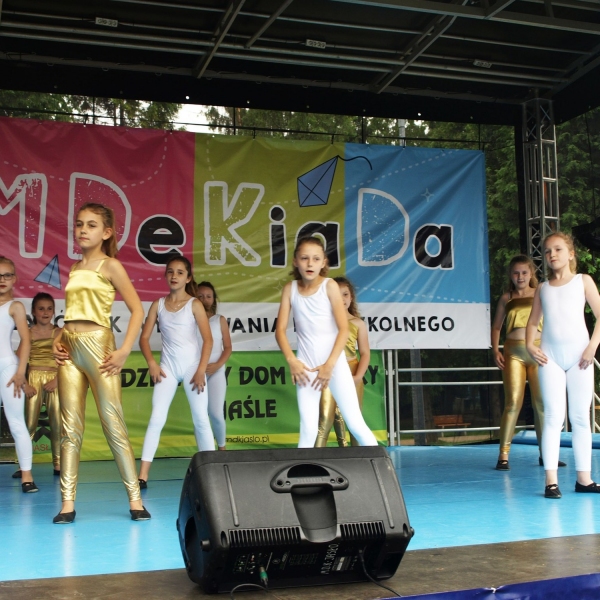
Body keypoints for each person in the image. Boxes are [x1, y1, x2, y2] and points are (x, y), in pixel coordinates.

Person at [52, 203, 148, 523]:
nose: (83, 230)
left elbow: (137, 310)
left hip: (99, 347)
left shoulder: (111, 266)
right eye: (79, 224)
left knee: (113, 423)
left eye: (91, 225)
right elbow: (73, 313)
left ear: (107, 232)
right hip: (69, 348)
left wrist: (124, 351)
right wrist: (57, 338)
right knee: (70, 428)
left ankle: (135, 500)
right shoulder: (75, 268)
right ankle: (67, 504)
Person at [275, 236, 377, 448]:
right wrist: (292, 361)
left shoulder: (329, 286)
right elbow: (280, 331)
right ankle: (303, 468)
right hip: (306, 368)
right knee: (308, 429)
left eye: (315, 258)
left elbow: (343, 329)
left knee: (355, 423)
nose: (310, 263)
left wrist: (330, 365)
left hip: (335, 365)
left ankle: (382, 465)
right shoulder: (290, 289)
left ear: (324, 262)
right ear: (295, 261)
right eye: (304, 258)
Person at [526, 232, 600, 498]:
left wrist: (592, 346)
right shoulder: (543, 288)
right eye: (547, 251)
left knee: (580, 417)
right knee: (553, 417)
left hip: (581, 357)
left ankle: (584, 479)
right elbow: (532, 322)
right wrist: (530, 345)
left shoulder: (583, 281)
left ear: (571, 254)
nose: (552, 254)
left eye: (557, 249)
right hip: (550, 359)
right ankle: (551, 481)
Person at [138, 257, 214, 488]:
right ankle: (142, 475)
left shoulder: (195, 304)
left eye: (180, 272)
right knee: (156, 418)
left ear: (188, 278)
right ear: (165, 275)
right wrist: (152, 363)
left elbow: (208, 340)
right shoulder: (158, 305)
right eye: (170, 272)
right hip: (167, 368)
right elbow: (144, 338)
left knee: (200, 418)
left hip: (192, 368)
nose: (174, 276)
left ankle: (213, 471)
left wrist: (201, 370)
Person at [491, 255, 565, 470]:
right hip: (513, 352)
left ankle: (546, 454)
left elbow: (555, 321)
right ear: (510, 275)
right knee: (513, 402)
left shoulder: (541, 293)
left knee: (541, 404)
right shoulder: (506, 298)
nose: (520, 276)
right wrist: (495, 350)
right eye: (516, 273)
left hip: (539, 352)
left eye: (524, 272)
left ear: (531, 273)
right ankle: (503, 455)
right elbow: (496, 327)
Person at [314, 276, 370, 447]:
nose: (342, 299)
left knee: (355, 421)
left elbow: (365, 353)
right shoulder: (323, 323)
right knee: (324, 421)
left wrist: (358, 377)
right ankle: (314, 459)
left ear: (351, 297)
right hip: (330, 373)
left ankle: (359, 458)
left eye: (345, 294)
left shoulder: (358, 323)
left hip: (352, 372)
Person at [0, 256, 38, 492]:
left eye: (7, 275)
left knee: (16, 422)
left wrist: (20, 372)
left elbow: (26, 339)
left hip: (8, 368)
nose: (2, 279)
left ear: (14, 278)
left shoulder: (15, 307)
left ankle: (27, 475)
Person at [16, 293, 62, 478]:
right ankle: (23, 466)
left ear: (54, 311)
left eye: (49, 308)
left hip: (55, 378)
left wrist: (57, 380)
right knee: (29, 424)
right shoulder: (28, 333)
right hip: (33, 377)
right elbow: (18, 360)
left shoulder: (59, 333)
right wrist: (25, 384)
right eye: (41, 309)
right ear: (33, 312)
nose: (45, 312)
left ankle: (58, 464)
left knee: (57, 423)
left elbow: (68, 360)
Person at [197, 281, 231, 451]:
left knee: (216, 413)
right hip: (197, 373)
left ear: (214, 299)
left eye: (208, 296)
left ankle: (222, 449)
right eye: (200, 296)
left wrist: (217, 365)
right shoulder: (190, 320)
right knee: (200, 415)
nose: (205, 299)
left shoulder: (220, 320)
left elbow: (228, 347)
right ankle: (204, 453)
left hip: (216, 372)